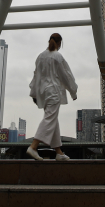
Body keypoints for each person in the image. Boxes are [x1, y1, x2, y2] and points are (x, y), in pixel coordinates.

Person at [26, 33, 78, 161]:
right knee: (49, 119)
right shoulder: (58, 57)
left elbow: (36, 76)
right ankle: (33, 147)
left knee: (52, 119)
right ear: (59, 43)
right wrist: (73, 91)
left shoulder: (40, 56)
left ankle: (59, 152)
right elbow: (66, 76)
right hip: (53, 92)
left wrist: (34, 93)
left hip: (43, 93)